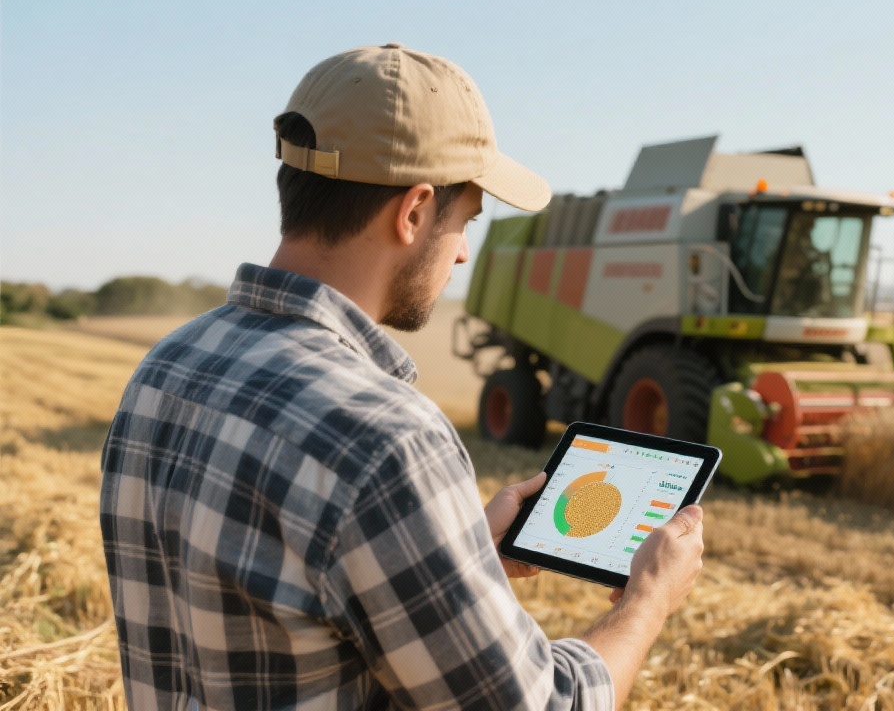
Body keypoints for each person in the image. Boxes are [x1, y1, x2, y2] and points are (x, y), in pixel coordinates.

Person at [100, 43, 704, 710]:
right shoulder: (387, 439)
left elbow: (272, 593)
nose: (466, 252)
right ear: (414, 211)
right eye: (466, 219)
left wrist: (457, 559)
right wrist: (648, 599)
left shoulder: (165, 369)